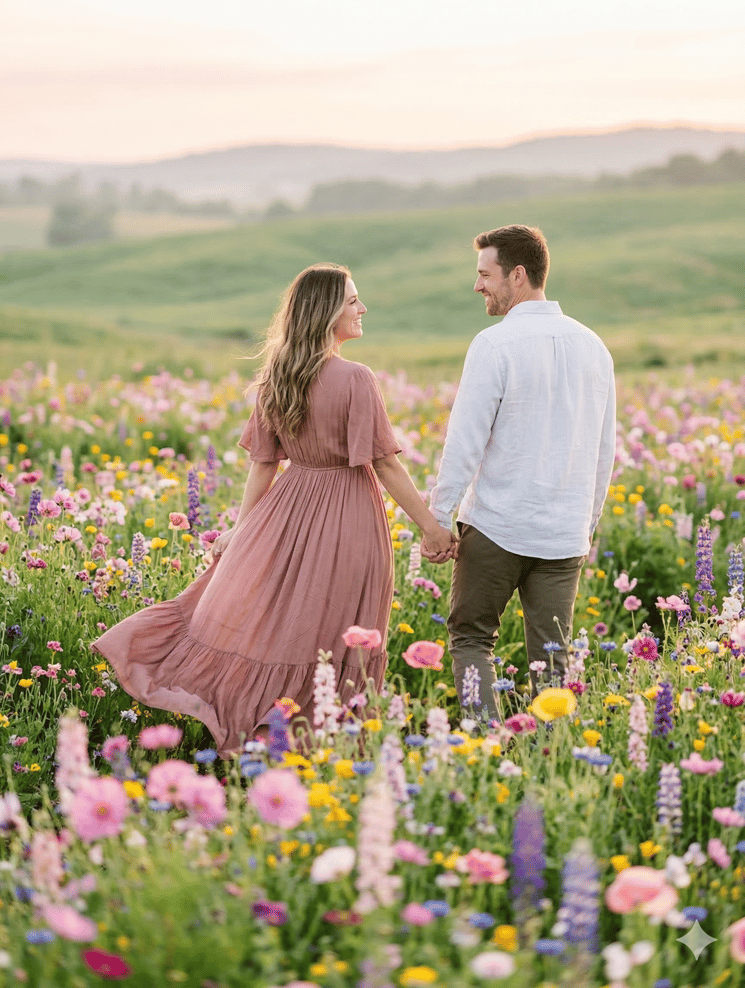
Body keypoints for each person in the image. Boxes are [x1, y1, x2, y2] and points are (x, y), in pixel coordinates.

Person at [92, 263, 455, 752]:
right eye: (352, 301)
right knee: (337, 635)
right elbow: (386, 465)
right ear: (327, 313)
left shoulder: (277, 377)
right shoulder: (355, 378)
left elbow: (262, 467)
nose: (362, 308)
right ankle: (326, 746)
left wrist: (242, 532)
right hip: (347, 518)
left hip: (284, 514)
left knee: (285, 630)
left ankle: (264, 735)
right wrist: (431, 529)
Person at [426, 225, 616, 716]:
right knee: (553, 660)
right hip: (563, 534)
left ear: (517, 274)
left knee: (471, 638)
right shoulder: (594, 346)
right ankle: (549, 761)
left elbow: (465, 442)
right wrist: (585, 524)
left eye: (484, 274)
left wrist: (438, 517)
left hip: (496, 526)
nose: (477, 286)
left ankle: (484, 748)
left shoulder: (494, 344)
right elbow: (603, 452)